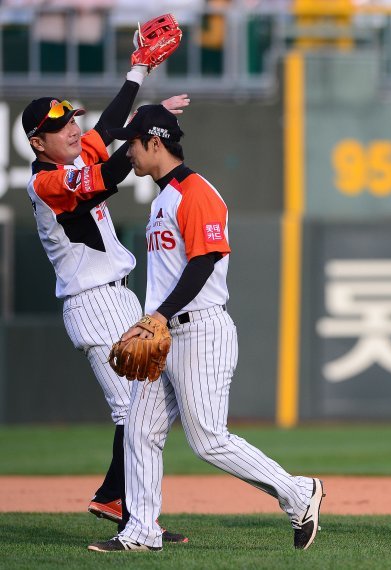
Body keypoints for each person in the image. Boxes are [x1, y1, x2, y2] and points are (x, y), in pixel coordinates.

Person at [87, 104, 325, 552]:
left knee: (209, 440)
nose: (127, 152)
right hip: (162, 334)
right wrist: (154, 320)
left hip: (200, 331)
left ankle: (299, 492)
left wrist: (157, 316)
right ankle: (141, 532)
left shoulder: (195, 191)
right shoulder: (161, 198)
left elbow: (205, 261)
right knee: (139, 431)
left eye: (132, 143)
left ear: (154, 143)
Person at [22, 44, 190, 543]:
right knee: (134, 412)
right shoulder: (47, 183)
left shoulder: (71, 159)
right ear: (37, 143)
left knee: (147, 407)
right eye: (60, 127)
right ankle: (129, 513)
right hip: (94, 300)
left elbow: (106, 128)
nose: (74, 129)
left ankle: (124, 503)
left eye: (72, 119)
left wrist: (138, 70)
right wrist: (145, 130)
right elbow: (110, 170)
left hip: (116, 297)